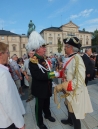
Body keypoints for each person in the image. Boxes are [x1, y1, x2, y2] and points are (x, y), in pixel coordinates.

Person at [54, 37, 93, 129]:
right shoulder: (69, 58)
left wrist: (63, 85)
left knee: (74, 112)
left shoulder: (77, 59)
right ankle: (69, 120)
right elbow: (66, 72)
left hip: (73, 91)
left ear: (70, 47)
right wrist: (54, 74)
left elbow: (80, 79)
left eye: (65, 46)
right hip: (68, 90)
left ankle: (76, 126)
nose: (64, 48)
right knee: (67, 105)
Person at [26, 30, 59, 129]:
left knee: (47, 103)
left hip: (47, 87)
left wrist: (53, 74)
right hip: (40, 88)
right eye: (43, 47)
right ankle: (39, 122)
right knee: (39, 107)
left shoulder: (43, 59)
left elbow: (47, 70)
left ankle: (47, 115)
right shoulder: (33, 61)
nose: (45, 49)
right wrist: (53, 75)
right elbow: (38, 76)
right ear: (37, 49)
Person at [0, 42, 25, 129]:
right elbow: (9, 102)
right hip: (8, 121)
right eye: (7, 52)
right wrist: (20, 123)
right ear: (1, 54)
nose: (8, 55)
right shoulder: (2, 74)